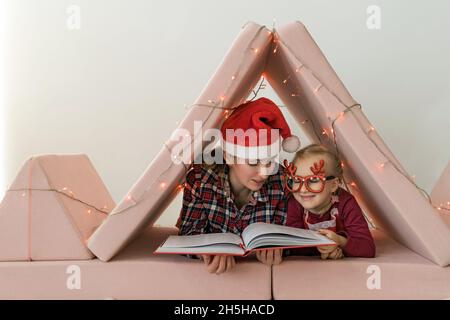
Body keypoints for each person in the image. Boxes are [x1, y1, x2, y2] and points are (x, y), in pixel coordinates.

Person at [176, 97, 301, 274]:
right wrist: (207, 251)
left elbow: (293, 232)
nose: (264, 173)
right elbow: (188, 234)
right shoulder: (200, 179)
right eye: (253, 163)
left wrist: (279, 248)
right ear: (229, 157)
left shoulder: (282, 181)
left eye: (269, 162)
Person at [283, 144, 376, 260]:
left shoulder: (346, 203)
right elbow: (293, 245)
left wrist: (339, 241)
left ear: (333, 185)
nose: (302, 189)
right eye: (296, 180)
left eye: (313, 180)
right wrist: (325, 249)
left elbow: (367, 248)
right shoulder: (295, 203)